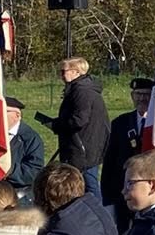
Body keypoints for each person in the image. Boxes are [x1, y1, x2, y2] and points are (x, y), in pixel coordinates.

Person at [37, 56, 110, 198]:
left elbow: (79, 120)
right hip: (82, 143)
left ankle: (97, 209)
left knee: (87, 183)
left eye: (64, 71)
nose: (61, 75)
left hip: (84, 146)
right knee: (83, 181)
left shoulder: (82, 91)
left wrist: (57, 125)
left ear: (76, 72)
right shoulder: (79, 89)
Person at [100, 75, 155, 209]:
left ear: (153, 97)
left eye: (146, 94)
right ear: (132, 96)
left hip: (151, 191)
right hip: (123, 191)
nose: (142, 98)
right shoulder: (120, 123)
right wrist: (107, 193)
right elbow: (110, 160)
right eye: (138, 94)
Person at [4, 96, 46, 201]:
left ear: (17, 115)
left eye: (4, 112)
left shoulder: (31, 139)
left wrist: (10, 170)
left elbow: (34, 172)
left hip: (19, 195)